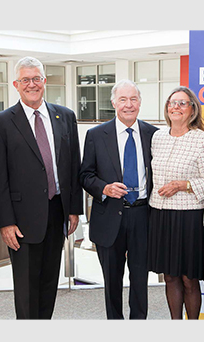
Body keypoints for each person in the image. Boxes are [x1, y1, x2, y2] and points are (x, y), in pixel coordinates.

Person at [0, 56, 83, 319]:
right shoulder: (1, 122)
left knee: (49, 285)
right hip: (21, 220)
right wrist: (4, 222)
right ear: (16, 84)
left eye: (37, 78)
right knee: (27, 290)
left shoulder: (65, 116)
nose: (32, 84)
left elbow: (73, 165)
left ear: (45, 81)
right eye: (26, 80)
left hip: (58, 213)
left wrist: (74, 209)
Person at [80, 79, 158, 319]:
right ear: (113, 102)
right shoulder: (95, 135)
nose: (128, 105)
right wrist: (104, 188)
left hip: (143, 216)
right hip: (109, 216)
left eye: (133, 99)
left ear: (140, 102)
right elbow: (85, 175)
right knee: (111, 282)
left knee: (140, 281)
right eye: (123, 99)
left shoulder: (153, 134)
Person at [147, 86, 204, 319]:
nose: (176, 107)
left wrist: (182, 185)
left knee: (188, 278)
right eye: (172, 103)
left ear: (193, 109)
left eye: (182, 103)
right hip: (161, 215)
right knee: (170, 276)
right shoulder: (157, 137)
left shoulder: (203, 139)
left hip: (188, 218)